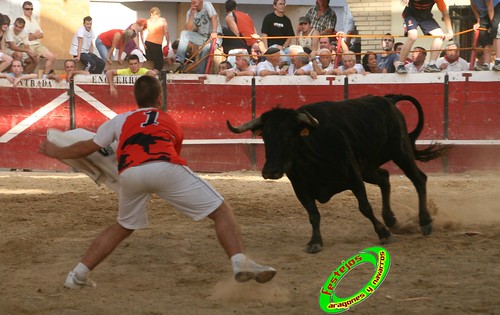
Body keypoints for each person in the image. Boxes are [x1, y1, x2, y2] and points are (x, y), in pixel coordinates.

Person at [38, 75, 276, 289]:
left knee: (123, 226)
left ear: (136, 98)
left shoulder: (120, 120)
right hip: (163, 167)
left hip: (130, 173)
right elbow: (172, 151)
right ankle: (238, 261)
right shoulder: (169, 120)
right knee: (221, 211)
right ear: (160, 98)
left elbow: (88, 147)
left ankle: (77, 275)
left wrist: (56, 151)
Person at [395, 0, 454, 74]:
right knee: (412, 36)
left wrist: (450, 31)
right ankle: (400, 65)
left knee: (440, 36)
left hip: (425, 17)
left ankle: (431, 64)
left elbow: (445, 12)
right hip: (410, 15)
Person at [175, 0, 222, 74]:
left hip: (215, 36)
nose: (194, 1)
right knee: (184, 33)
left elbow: (214, 18)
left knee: (205, 49)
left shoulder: (207, 5)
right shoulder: (190, 12)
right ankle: (179, 61)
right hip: (202, 36)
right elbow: (188, 28)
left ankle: (200, 74)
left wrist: (214, 32)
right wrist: (192, 14)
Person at [21, 1, 56, 79]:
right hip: (27, 45)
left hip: (37, 45)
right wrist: (36, 35)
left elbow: (42, 35)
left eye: (31, 9)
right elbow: (26, 37)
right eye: (27, 9)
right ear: (23, 9)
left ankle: (44, 77)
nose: (30, 11)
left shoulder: (34, 20)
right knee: (34, 59)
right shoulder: (21, 20)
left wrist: (33, 35)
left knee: (52, 57)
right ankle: (25, 77)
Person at [261, 0, 294, 65]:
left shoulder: (287, 20)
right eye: (280, 4)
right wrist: (266, 49)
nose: (282, 6)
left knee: (295, 54)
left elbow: (290, 36)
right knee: (283, 58)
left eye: (284, 4)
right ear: (274, 6)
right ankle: (277, 71)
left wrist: (283, 47)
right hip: (272, 46)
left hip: (284, 47)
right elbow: (264, 34)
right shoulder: (268, 18)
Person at [471, 0, 500, 71]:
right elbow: (472, 4)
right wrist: (478, 20)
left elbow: (489, 4)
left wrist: (492, 23)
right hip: (484, 13)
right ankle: (486, 64)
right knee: (485, 36)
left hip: (496, 7)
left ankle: (498, 61)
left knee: (496, 30)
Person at [146, 7, 170, 72]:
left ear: (151, 14)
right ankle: (153, 76)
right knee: (159, 65)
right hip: (156, 44)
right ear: (159, 14)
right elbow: (166, 32)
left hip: (147, 42)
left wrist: (143, 44)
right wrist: (167, 43)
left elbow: (144, 32)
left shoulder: (148, 21)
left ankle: (148, 75)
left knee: (150, 62)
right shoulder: (162, 20)